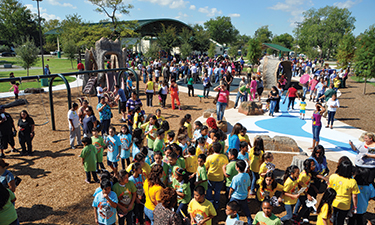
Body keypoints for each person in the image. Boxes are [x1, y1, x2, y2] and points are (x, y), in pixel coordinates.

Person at [329, 160, 360, 225]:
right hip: (345, 205)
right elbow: (354, 196)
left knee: (334, 218)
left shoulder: (333, 177)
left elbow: (329, 189)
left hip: (333, 202)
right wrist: (355, 207)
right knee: (341, 220)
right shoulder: (352, 182)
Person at [228, 160, 252, 225]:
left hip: (235, 197)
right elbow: (249, 185)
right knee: (247, 212)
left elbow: (232, 188)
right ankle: (250, 222)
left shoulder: (235, 178)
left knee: (231, 210)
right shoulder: (247, 176)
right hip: (243, 197)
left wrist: (229, 195)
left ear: (237, 168)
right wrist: (247, 193)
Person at [205, 142, 228, 209]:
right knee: (217, 192)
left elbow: (206, 167)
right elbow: (226, 166)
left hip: (210, 177)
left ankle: (209, 203)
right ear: (221, 149)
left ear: (212, 148)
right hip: (220, 178)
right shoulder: (224, 157)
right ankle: (216, 205)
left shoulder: (209, 157)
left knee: (209, 190)